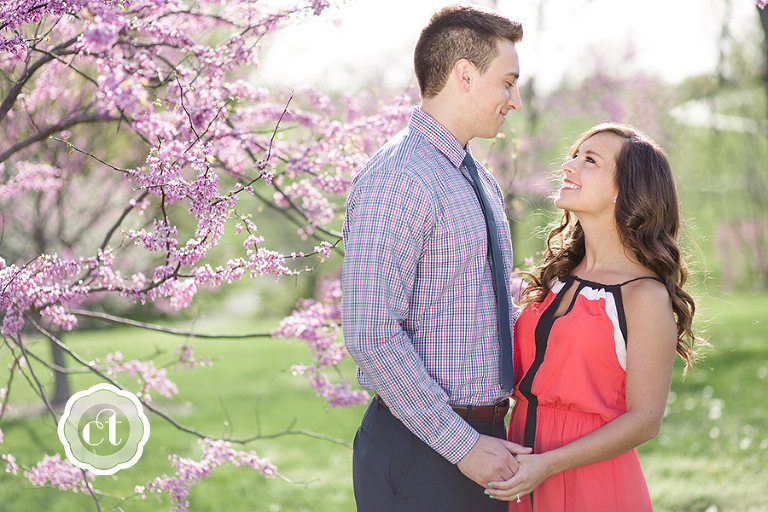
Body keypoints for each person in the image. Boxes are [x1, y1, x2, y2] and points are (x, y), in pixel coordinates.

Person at [342, 4, 531, 511]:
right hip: (423, 451)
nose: (514, 100)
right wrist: (464, 446)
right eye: (507, 82)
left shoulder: (477, 178)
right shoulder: (399, 177)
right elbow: (372, 336)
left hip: (484, 444)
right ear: (464, 75)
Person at [484, 123, 701, 510]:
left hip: (590, 483)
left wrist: (548, 464)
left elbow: (645, 420)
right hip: (522, 472)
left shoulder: (643, 296)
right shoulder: (557, 278)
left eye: (589, 161)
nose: (568, 166)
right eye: (574, 155)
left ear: (624, 190)